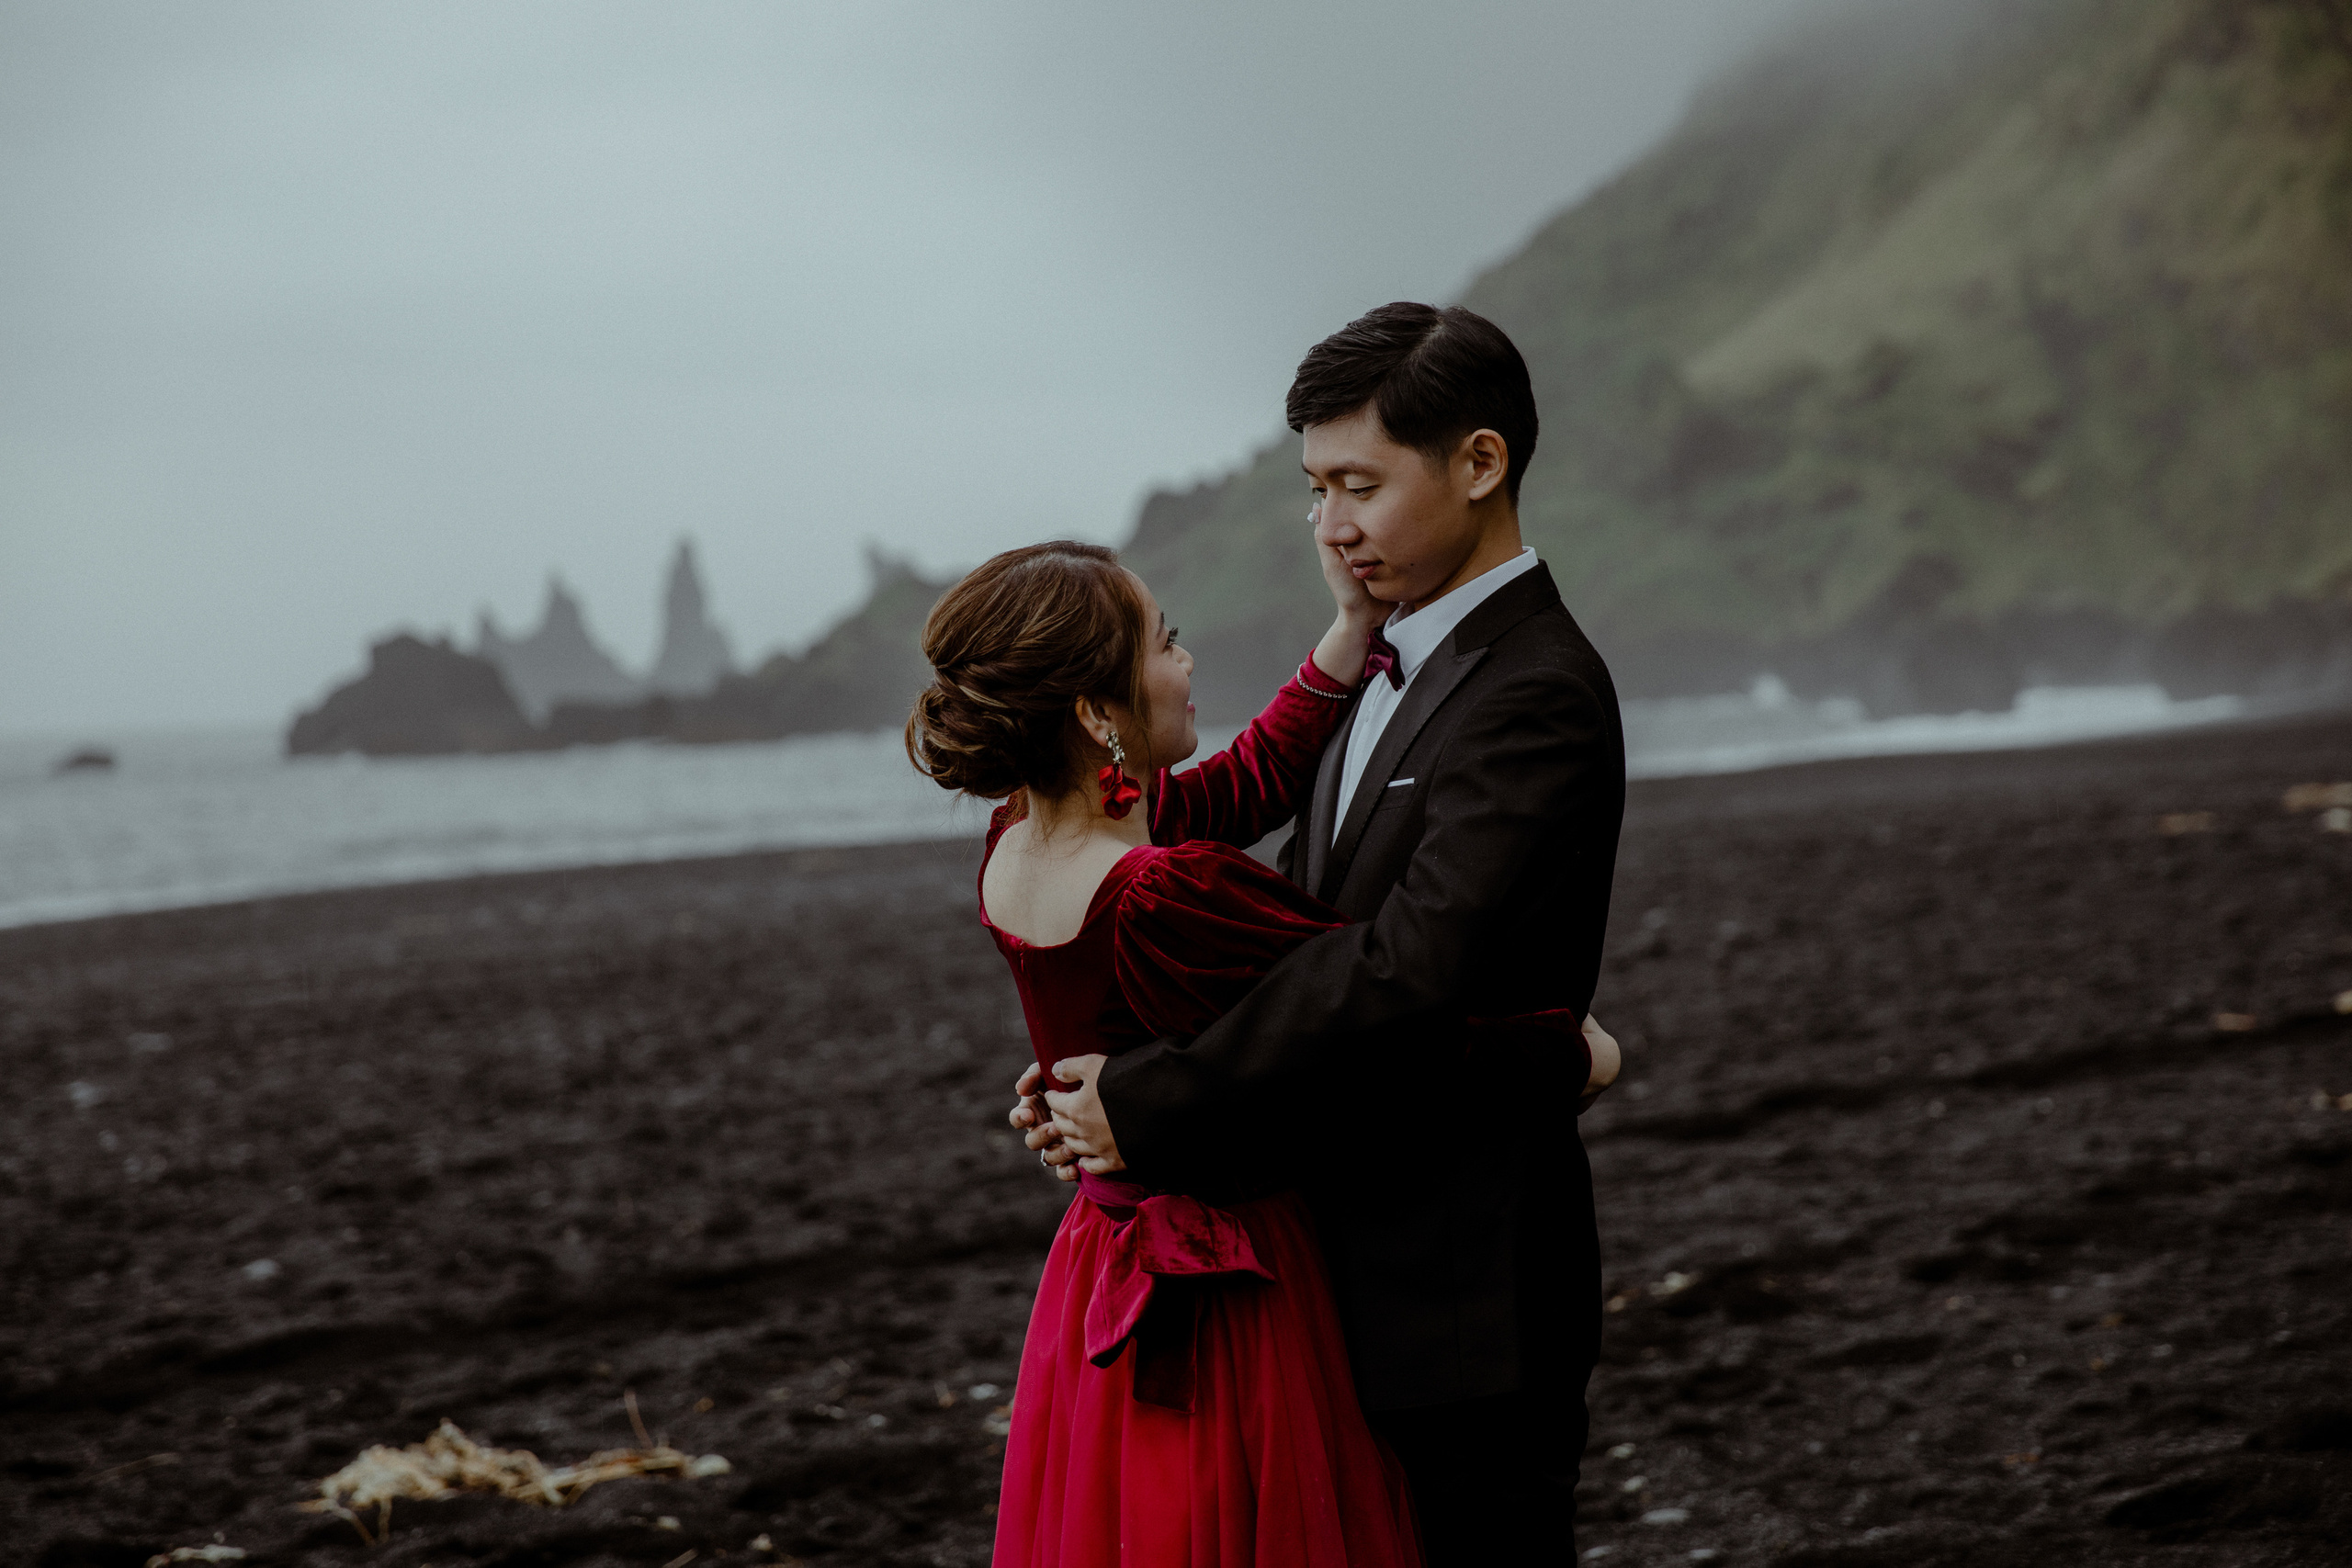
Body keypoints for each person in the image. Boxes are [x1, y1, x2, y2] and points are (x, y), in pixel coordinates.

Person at [1025, 302, 1628, 1565]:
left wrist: (1152, 1093)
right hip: (1332, 1266)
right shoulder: (1385, 658)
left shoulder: (1537, 692)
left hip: (1464, 1285)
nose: (1333, 524)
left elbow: (1406, 966)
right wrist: (1089, 1064)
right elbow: (1266, 922)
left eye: (1360, 484)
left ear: (1479, 463)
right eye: (1316, 488)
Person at [905, 536, 1618, 1565]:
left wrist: (1344, 634)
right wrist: (1565, 1056)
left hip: (1098, 1267)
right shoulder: (1165, 890)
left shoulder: (1014, 838)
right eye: (1166, 642)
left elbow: (1241, 783)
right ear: (1097, 715)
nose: (1187, 663)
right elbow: (1376, 1024)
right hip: (1227, 1284)